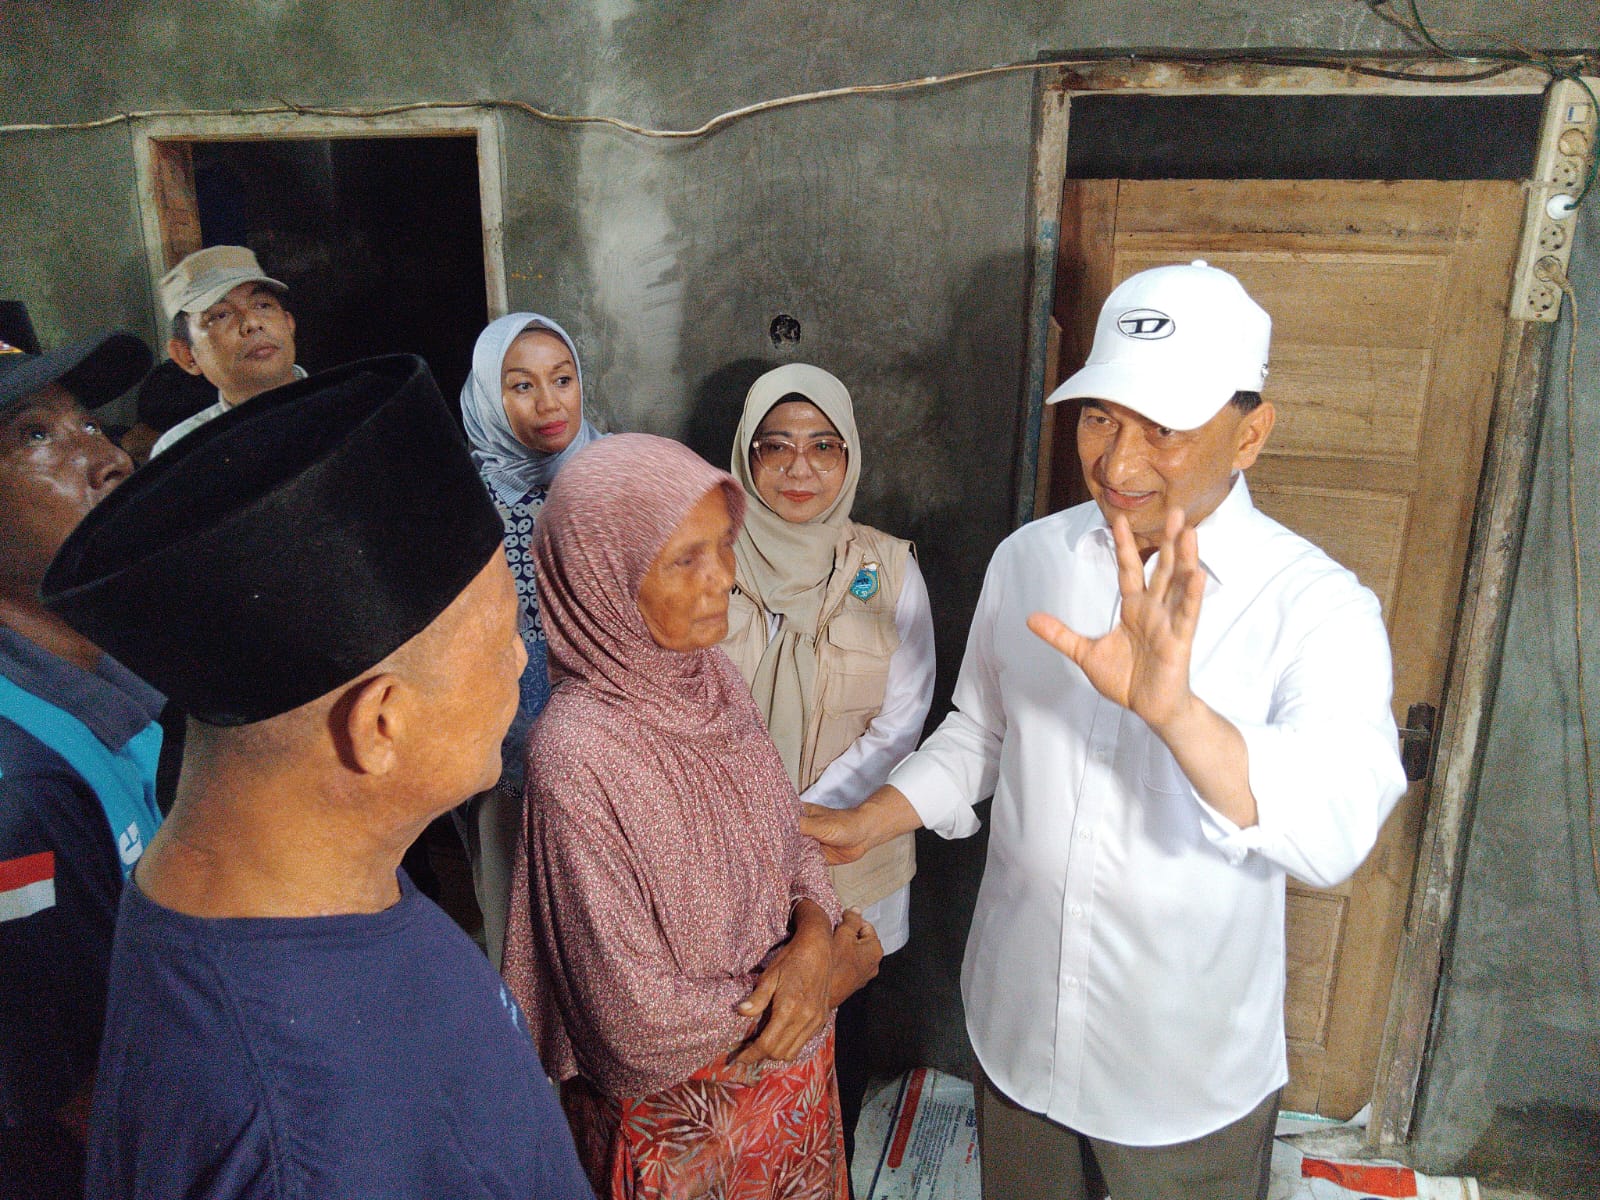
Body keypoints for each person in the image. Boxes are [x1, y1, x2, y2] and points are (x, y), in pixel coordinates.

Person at [802, 262, 1409, 1200]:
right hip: (1018, 1031)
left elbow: (1334, 831)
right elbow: (982, 733)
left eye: (1163, 428)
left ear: (1251, 434)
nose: (1118, 466)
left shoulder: (1317, 606)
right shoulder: (1031, 559)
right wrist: (865, 820)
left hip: (1182, 1072)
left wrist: (1178, 715)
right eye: (1100, 418)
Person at [43, 355, 592, 1199]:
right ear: (380, 726)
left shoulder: (312, 884)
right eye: (501, 642)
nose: (524, 661)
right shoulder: (304, 1147)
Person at [501, 433, 881, 1199]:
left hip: (792, 1092)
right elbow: (633, 1026)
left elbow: (787, 835)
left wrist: (815, 938)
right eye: (684, 561)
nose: (724, 580)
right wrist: (826, 986)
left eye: (724, 547)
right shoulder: (577, 753)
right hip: (681, 1136)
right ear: (603, 579)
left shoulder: (712, 680)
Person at [719, 362, 934, 1170]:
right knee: (745, 1035)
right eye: (775, 446)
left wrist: (797, 821)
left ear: (850, 458)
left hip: (853, 862)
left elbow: (902, 721)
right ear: (746, 456)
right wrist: (757, 826)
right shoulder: (706, 558)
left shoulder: (890, 567)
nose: (799, 468)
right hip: (725, 858)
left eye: (822, 446)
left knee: (839, 1043)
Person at [0, 330, 156, 1199]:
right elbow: (85, 1099)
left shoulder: (119, 662)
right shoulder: (18, 788)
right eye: (36, 435)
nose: (107, 458)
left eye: (89, 423)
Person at [455, 312, 602, 966]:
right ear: (490, 396)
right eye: (522, 386)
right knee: (522, 930)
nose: (549, 404)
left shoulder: (618, 474)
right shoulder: (457, 499)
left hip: (609, 743)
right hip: (502, 747)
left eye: (562, 379)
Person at [150, 245, 304, 457]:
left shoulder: (345, 408)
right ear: (186, 355)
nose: (252, 322)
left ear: (289, 324)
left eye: (262, 305)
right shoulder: (182, 450)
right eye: (221, 315)